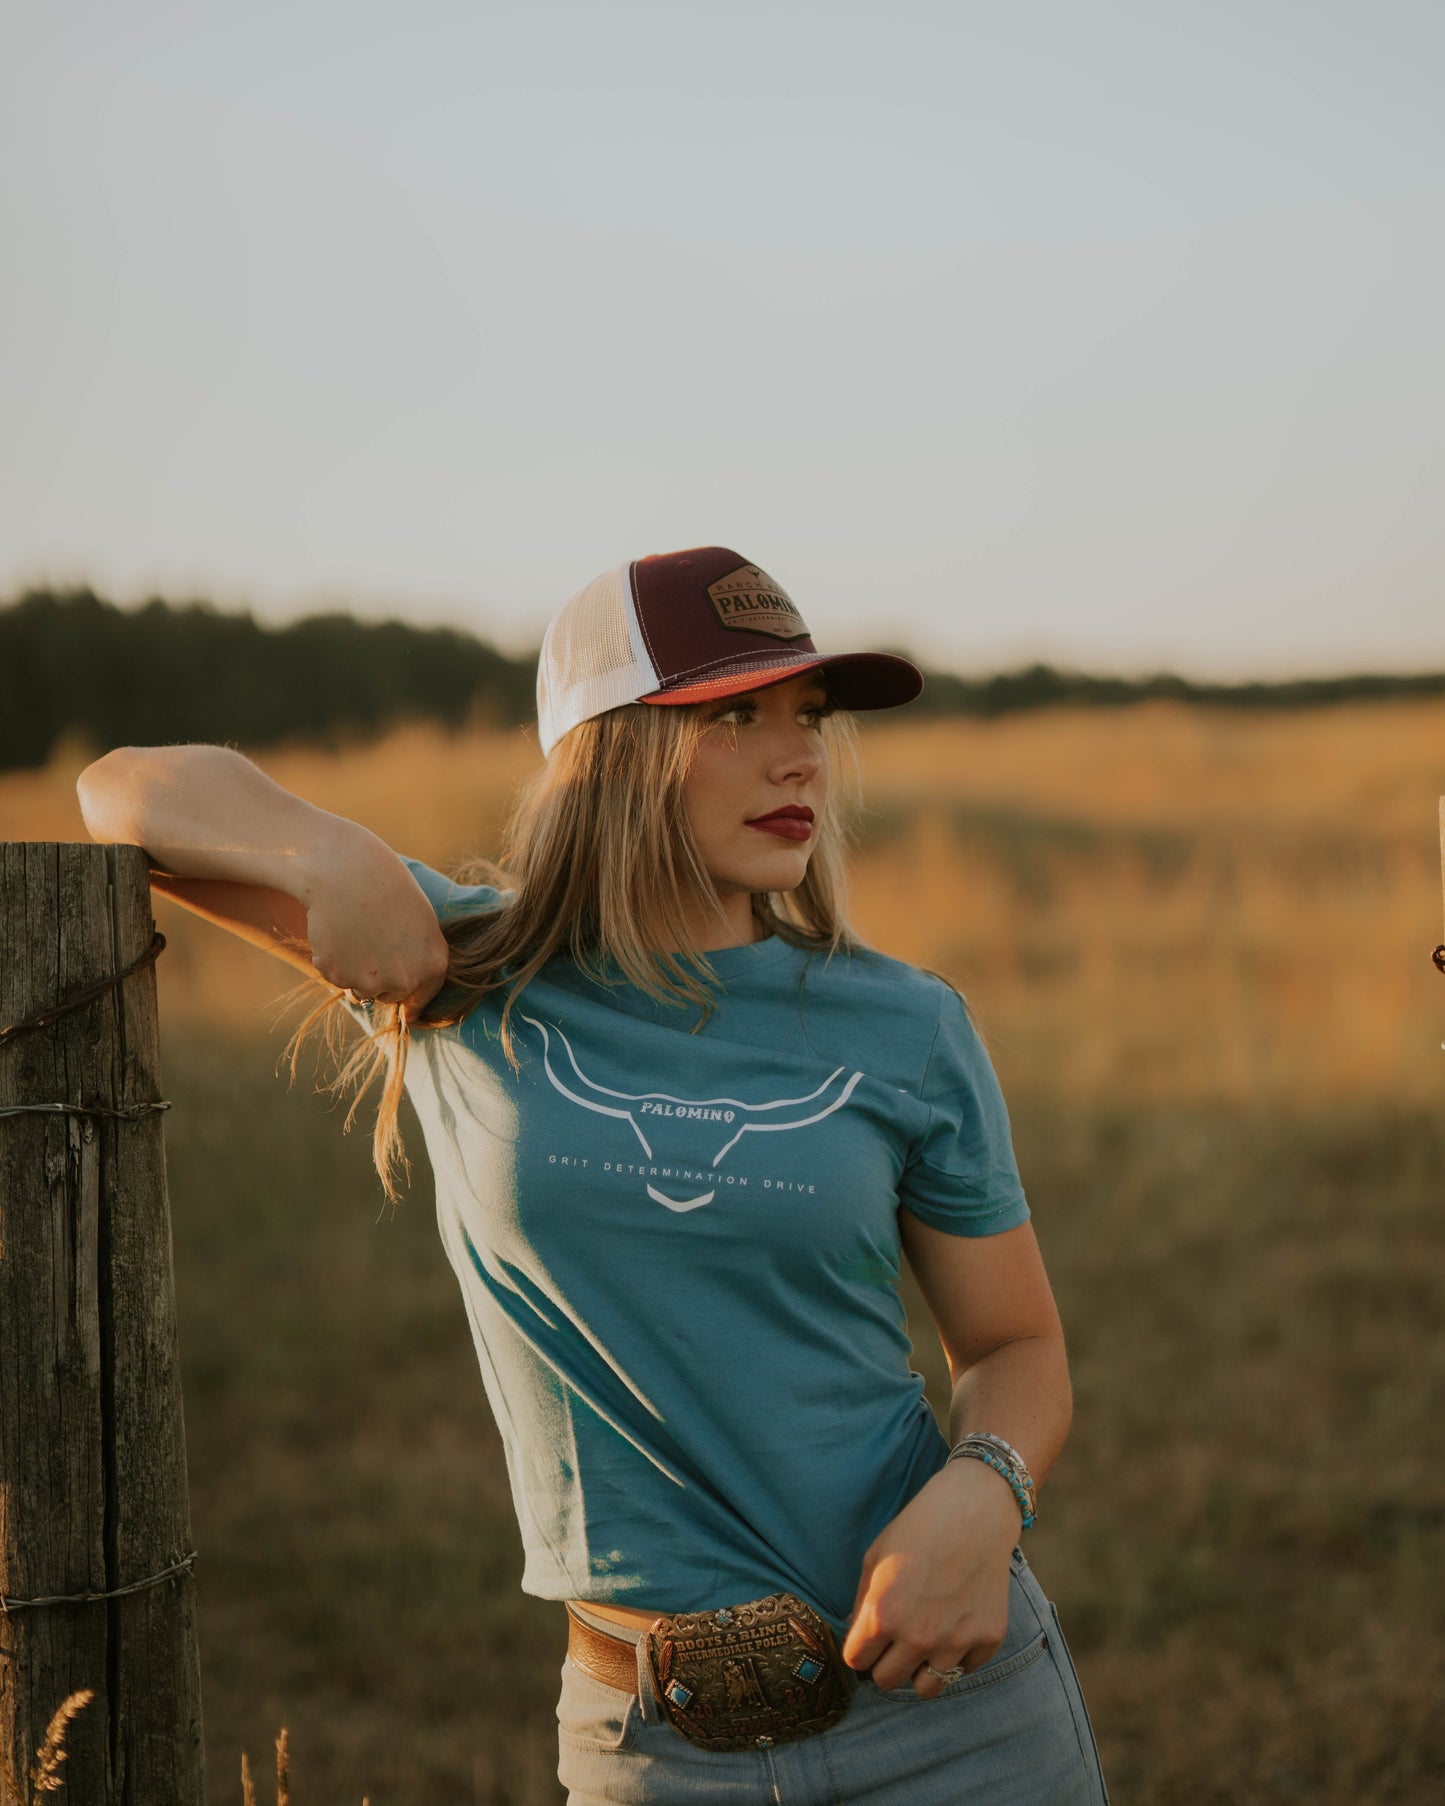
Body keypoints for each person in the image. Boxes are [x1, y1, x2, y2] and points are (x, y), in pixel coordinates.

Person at [77, 546, 1108, 1804]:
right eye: (734, 715)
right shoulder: (460, 973)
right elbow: (119, 789)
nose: (800, 760)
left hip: (954, 1716)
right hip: (652, 1752)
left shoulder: (904, 1024)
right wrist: (325, 850)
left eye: (809, 719)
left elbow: (1016, 1347)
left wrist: (981, 1493)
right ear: (608, 750)